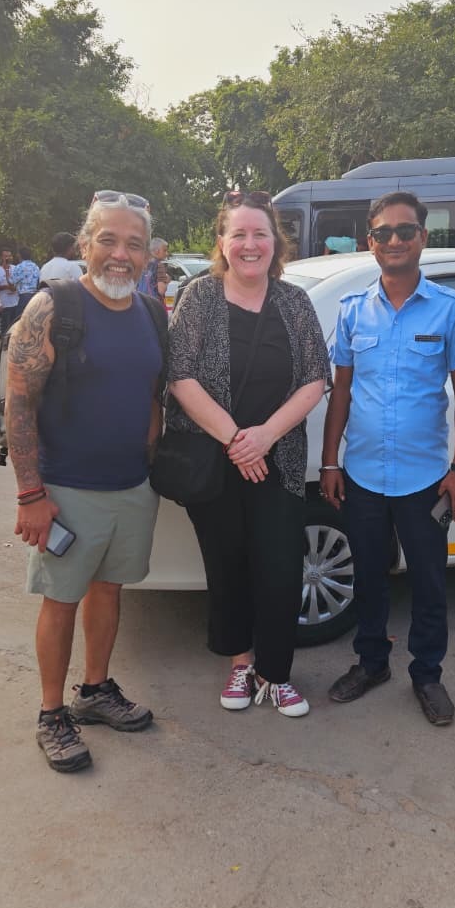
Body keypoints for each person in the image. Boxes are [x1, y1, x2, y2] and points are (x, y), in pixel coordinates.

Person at [5, 192, 165, 773]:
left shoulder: (151, 312)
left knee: (109, 590)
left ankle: (95, 691)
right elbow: (19, 403)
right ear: (85, 245)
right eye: (108, 240)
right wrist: (31, 494)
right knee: (61, 601)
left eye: (134, 244)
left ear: (147, 254)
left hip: (132, 486)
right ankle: (52, 713)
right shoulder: (54, 307)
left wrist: (152, 465)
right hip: (66, 490)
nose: (121, 254)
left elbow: (153, 394)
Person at [167, 189, 330, 717]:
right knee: (227, 565)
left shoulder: (294, 302)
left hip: (279, 463)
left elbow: (315, 378)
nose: (250, 244)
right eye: (238, 234)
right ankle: (241, 663)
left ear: (275, 243)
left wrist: (264, 438)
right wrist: (238, 440)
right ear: (222, 242)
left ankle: (275, 674)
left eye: (260, 233)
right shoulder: (199, 297)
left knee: (281, 569)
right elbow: (180, 376)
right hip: (215, 463)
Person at [321, 191, 455, 725]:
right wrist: (330, 462)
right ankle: (371, 663)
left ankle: (427, 675)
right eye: (383, 232)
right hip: (363, 473)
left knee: (429, 582)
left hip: (426, 478)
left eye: (405, 231)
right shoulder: (352, 310)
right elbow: (341, 391)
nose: (394, 240)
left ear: (422, 238)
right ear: (370, 242)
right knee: (368, 575)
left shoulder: (451, 310)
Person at [0, 246, 20, 337]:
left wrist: (16, 287)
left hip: (16, 302)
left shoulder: (16, 268)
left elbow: (20, 281)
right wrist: (5, 287)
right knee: (5, 326)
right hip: (5, 304)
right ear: (1, 257)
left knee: (15, 326)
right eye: (6, 256)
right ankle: (4, 342)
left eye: (10, 256)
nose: (8, 258)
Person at [137, 236, 170, 304]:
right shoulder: (159, 265)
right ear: (157, 251)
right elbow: (161, 290)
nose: (167, 253)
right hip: (153, 304)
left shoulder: (140, 264)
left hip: (140, 301)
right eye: (164, 250)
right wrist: (167, 282)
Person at [13, 245, 41, 314]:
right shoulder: (36, 267)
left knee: (20, 318)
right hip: (34, 297)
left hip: (23, 297)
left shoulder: (18, 267)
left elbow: (13, 282)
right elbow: (39, 281)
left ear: (20, 255)